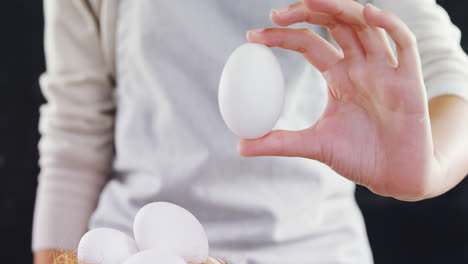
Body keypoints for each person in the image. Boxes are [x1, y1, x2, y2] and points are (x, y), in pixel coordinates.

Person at [33, 0, 468, 263]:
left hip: (309, 250)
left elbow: (450, 74)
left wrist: (430, 167)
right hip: (136, 247)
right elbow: (75, 129)